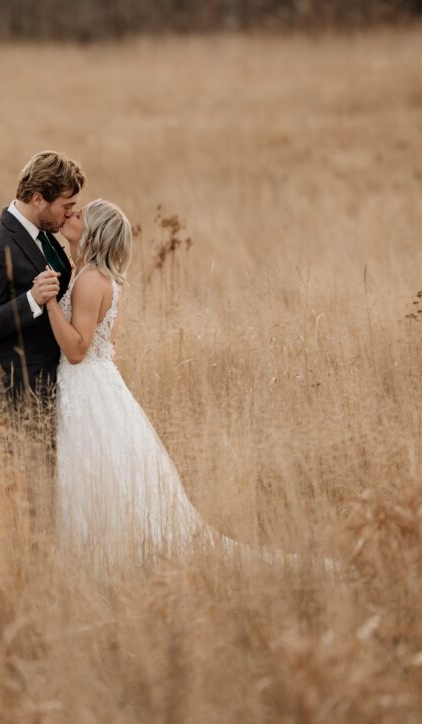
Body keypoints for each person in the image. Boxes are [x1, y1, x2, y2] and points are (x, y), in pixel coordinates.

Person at [47, 199, 334, 573]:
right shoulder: (99, 277)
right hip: (103, 387)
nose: (71, 214)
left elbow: (76, 350)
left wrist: (50, 302)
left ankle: (101, 561)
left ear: (94, 232)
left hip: (85, 386)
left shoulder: (87, 281)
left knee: (90, 472)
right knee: (106, 474)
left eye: (80, 214)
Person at [0, 151, 85, 456]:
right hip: (17, 400)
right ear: (39, 199)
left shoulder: (47, 237)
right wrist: (31, 300)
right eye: (66, 206)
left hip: (59, 392)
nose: (70, 214)